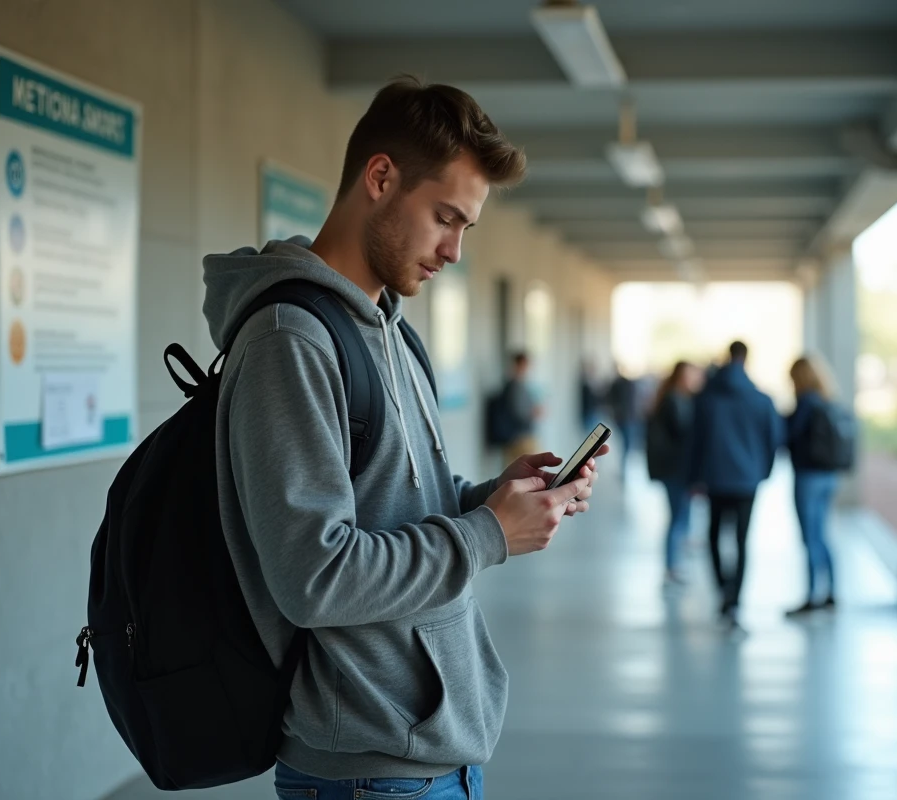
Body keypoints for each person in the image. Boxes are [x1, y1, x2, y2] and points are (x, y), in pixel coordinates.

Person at [202, 76, 607, 800]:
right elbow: (313, 577)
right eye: (445, 218)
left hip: (431, 750)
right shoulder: (291, 340)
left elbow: (401, 502)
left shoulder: (392, 331)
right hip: (366, 766)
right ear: (381, 177)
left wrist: (496, 497)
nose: (454, 251)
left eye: (467, 229)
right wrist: (487, 534)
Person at [691, 341, 784, 632]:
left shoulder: (706, 398)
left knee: (715, 535)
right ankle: (735, 600)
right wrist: (762, 472)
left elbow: (695, 442)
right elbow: (774, 441)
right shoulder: (761, 399)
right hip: (747, 480)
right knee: (742, 540)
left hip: (715, 477)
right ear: (746, 359)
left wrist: (695, 477)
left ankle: (723, 589)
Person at [785, 356, 842, 615]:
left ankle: (811, 595)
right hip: (829, 476)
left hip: (808, 476)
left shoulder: (806, 403)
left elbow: (789, 435)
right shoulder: (828, 401)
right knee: (822, 534)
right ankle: (831, 591)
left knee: (810, 537)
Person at [646, 361, 703, 584]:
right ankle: (671, 566)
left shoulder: (672, 398)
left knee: (680, 515)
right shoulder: (675, 400)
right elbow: (684, 432)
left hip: (674, 468)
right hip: (675, 469)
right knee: (677, 516)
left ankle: (676, 559)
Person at [502, 351, 541, 462]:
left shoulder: (519, 384)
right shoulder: (514, 386)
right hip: (519, 438)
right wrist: (534, 412)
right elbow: (518, 412)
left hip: (520, 436)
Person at [607, 366, 640, 477]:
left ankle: (624, 468)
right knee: (626, 444)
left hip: (627, 418)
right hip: (624, 418)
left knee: (627, 444)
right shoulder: (620, 384)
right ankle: (624, 469)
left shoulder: (625, 384)